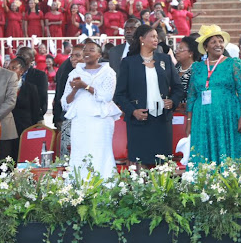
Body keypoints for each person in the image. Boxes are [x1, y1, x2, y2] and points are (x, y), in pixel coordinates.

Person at [113, 24, 183, 165]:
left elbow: (178, 88)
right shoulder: (128, 62)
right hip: (139, 120)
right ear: (141, 39)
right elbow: (119, 94)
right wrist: (133, 111)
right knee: (139, 163)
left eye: (157, 37)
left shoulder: (165, 59)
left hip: (162, 121)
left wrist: (173, 101)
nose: (156, 39)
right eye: (152, 36)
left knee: (163, 163)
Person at [186, 25, 241, 165]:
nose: (218, 44)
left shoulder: (233, 63)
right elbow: (191, 96)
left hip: (227, 115)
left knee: (227, 149)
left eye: (220, 41)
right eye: (213, 42)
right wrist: (189, 121)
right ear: (206, 47)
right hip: (202, 117)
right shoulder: (197, 67)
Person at [62, 41, 122, 178]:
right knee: (79, 153)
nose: (87, 52)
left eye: (91, 50)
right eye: (85, 50)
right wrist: (75, 89)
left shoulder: (108, 72)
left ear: (99, 55)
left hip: (100, 120)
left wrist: (85, 86)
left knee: (99, 153)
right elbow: (65, 101)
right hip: (80, 120)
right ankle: (79, 189)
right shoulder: (74, 73)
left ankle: (103, 187)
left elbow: (107, 96)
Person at [7, 57, 41, 159]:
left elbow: (35, 112)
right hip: (8, 130)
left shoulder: (31, 88)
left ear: (21, 71)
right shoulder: (3, 87)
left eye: (13, 68)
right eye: (8, 68)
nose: (10, 71)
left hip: (24, 129)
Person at [16, 46, 48, 121]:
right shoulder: (11, 75)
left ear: (32, 59)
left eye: (23, 56)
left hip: (33, 118)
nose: (19, 58)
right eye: (18, 55)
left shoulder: (40, 75)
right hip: (15, 118)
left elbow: (42, 97)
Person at [174, 35, 202, 100]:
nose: (177, 52)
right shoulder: (175, 69)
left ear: (190, 53)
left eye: (181, 49)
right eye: (177, 49)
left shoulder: (198, 69)